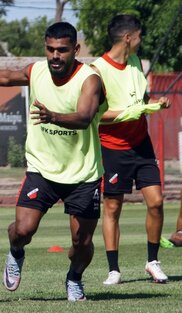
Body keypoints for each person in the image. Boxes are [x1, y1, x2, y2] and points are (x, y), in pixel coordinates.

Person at [0, 22, 103, 301]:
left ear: (75, 49)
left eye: (62, 50)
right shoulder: (37, 71)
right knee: (22, 230)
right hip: (41, 168)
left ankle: (75, 278)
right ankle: (16, 253)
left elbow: (85, 116)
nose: (55, 56)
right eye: (50, 49)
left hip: (82, 174)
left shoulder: (89, 79)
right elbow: (7, 76)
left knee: (82, 242)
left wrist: (53, 116)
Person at [91, 15, 172, 285]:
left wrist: (154, 103)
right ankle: (114, 269)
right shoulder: (98, 69)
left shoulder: (136, 61)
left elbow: (141, 98)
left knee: (157, 202)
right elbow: (93, 115)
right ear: (128, 38)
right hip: (113, 148)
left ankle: (153, 262)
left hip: (141, 144)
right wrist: (128, 112)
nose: (141, 39)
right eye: (139, 35)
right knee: (113, 207)